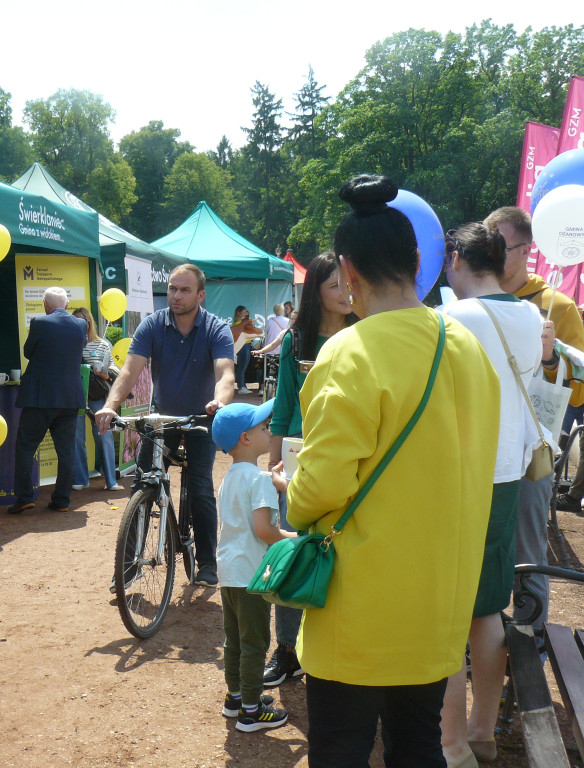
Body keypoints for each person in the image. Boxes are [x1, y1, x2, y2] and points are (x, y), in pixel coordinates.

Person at [274, 175, 499, 767]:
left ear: (348, 273)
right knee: (418, 747)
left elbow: (318, 489)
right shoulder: (468, 348)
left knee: (342, 750)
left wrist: (289, 492)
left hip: (360, 606)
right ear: (418, 259)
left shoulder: (347, 353)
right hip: (438, 604)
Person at [439, 223, 544, 767]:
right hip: (507, 473)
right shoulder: (530, 315)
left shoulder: (448, 319)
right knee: (487, 610)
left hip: (455, 476)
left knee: (448, 614)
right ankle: (481, 727)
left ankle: (452, 743)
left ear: (456, 258)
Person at [96, 264, 236, 588]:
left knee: (200, 486)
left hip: (202, 418)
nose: (176, 295)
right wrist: (108, 406)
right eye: (172, 288)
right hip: (162, 418)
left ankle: (206, 563)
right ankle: (128, 566)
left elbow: (225, 374)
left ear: (200, 295)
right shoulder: (152, 325)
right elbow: (129, 372)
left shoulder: (216, 328)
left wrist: (219, 402)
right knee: (142, 482)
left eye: (184, 290)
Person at [485, 205, 584, 634]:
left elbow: (578, 389)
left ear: (525, 248)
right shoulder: (476, 299)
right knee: (480, 546)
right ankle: (482, 634)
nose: (489, 255)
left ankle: (531, 636)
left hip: (530, 450)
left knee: (527, 545)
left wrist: (549, 356)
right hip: (480, 444)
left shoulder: (557, 306)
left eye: (500, 246)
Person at [262, 252, 352, 689]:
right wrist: (275, 459)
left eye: (348, 284)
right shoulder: (294, 341)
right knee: (295, 549)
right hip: (298, 457)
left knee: (346, 550)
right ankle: (287, 651)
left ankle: (342, 648)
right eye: (335, 286)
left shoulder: (364, 334)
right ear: (315, 291)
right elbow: (282, 406)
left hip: (351, 457)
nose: (345, 293)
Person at [212, 400, 293, 733]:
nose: (269, 430)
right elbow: (263, 531)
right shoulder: (258, 480)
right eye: (263, 428)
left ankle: (236, 698)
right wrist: (291, 537)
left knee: (234, 639)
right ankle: (251, 709)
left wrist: (272, 481)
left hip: (228, 573)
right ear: (245, 438)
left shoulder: (229, 477)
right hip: (252, 574)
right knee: (255, 641)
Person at [6, 287, 88, 515]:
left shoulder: (40, 322)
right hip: (69, 398)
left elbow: (28, 352)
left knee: (25, 447)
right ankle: (62, 500)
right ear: (67, 304)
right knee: (66, 451)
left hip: (40, 397)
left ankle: (24, 498)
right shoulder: (81, 325)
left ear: (45, 304)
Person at [71, 306, 122, 492]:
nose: (80, 325)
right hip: (75, 394)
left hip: (96, 394)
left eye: (83, 321)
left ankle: (111, 480)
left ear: (89, 322)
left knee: (104, 435)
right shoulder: (68, 343)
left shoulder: (102, 344)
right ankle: (80, 478)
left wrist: (101, 372)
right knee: (77, 436)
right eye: (75, 321)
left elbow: (112, 373)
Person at [230, 306, 261, 393]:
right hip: (243, 346)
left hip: (247, 345)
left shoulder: (243, 323)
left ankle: (242, 385)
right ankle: (241, 386)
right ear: (239, 313)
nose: (246, 314)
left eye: (246, 312)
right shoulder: (238, 324)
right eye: (244, 312)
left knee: (243, 366)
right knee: (242, 367)